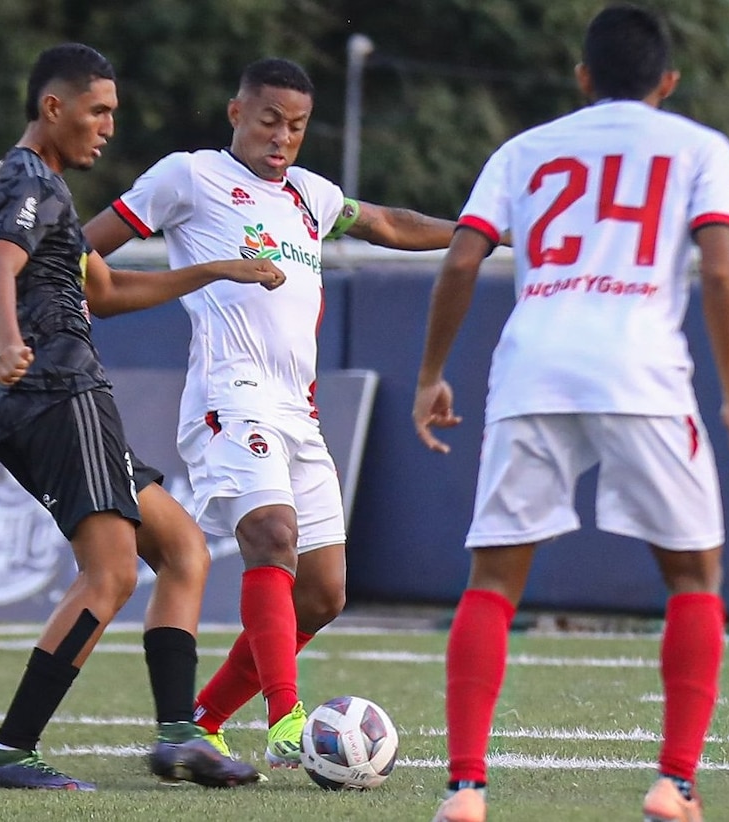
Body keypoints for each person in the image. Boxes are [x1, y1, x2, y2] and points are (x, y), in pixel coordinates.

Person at [411, 5, 729, 822]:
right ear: (668, 81)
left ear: (583, 77)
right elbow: (719, 272)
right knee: (694, 577)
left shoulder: (523, 148)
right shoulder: (702, 147)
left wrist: (431, 374)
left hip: (533, 367)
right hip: (642, 371)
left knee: (493, 582)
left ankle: (465, 789)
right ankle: (674, 784)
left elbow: (462, 259)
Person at [84, 57, 456, 768]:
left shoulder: (312, 196)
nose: (282, 137)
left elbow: (386, 222)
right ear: (236, 114)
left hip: (298, 412)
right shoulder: (189, 177)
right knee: (272, 533)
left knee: (323, 594)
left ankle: (204, 720)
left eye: (297, 126)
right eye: (269, 121)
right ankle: (288, 721)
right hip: (230, 396)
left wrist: (478, 232)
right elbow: (85, 247)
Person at [0, 42, 286, 791]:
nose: (108, 126)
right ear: (54, 107)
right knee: (108, 573)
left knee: (183, 550)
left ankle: (179, 737)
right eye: (98, 110)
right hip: (56, 393)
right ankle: (10, 752)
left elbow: (103, 292)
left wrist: (217, 269)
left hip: (56, 398)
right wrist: (10, 343)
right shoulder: (28, 178)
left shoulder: (42, 188)